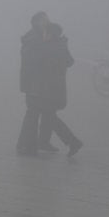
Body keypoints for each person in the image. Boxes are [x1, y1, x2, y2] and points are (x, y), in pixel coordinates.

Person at [38, 23, 82, 157]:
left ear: (50, 34)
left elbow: (44, 65)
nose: (43, 35)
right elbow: (70, 62)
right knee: (48, 115)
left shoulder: (50, 47)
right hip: (57, 87)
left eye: (45, 33)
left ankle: (73, 142)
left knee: (49, 116)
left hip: (50, 88)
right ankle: (43, 142)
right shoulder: (60, 45)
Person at [16, 11, 58, 155]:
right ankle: (27, 146)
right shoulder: (33, 39)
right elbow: (32, 62)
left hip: (40, 84)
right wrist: (45, 45)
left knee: (34, 113)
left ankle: (26, 144)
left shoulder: (39, 38)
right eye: (44, 20)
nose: (47, 23)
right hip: (34, 84)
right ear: (37, 23)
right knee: (32, 114)